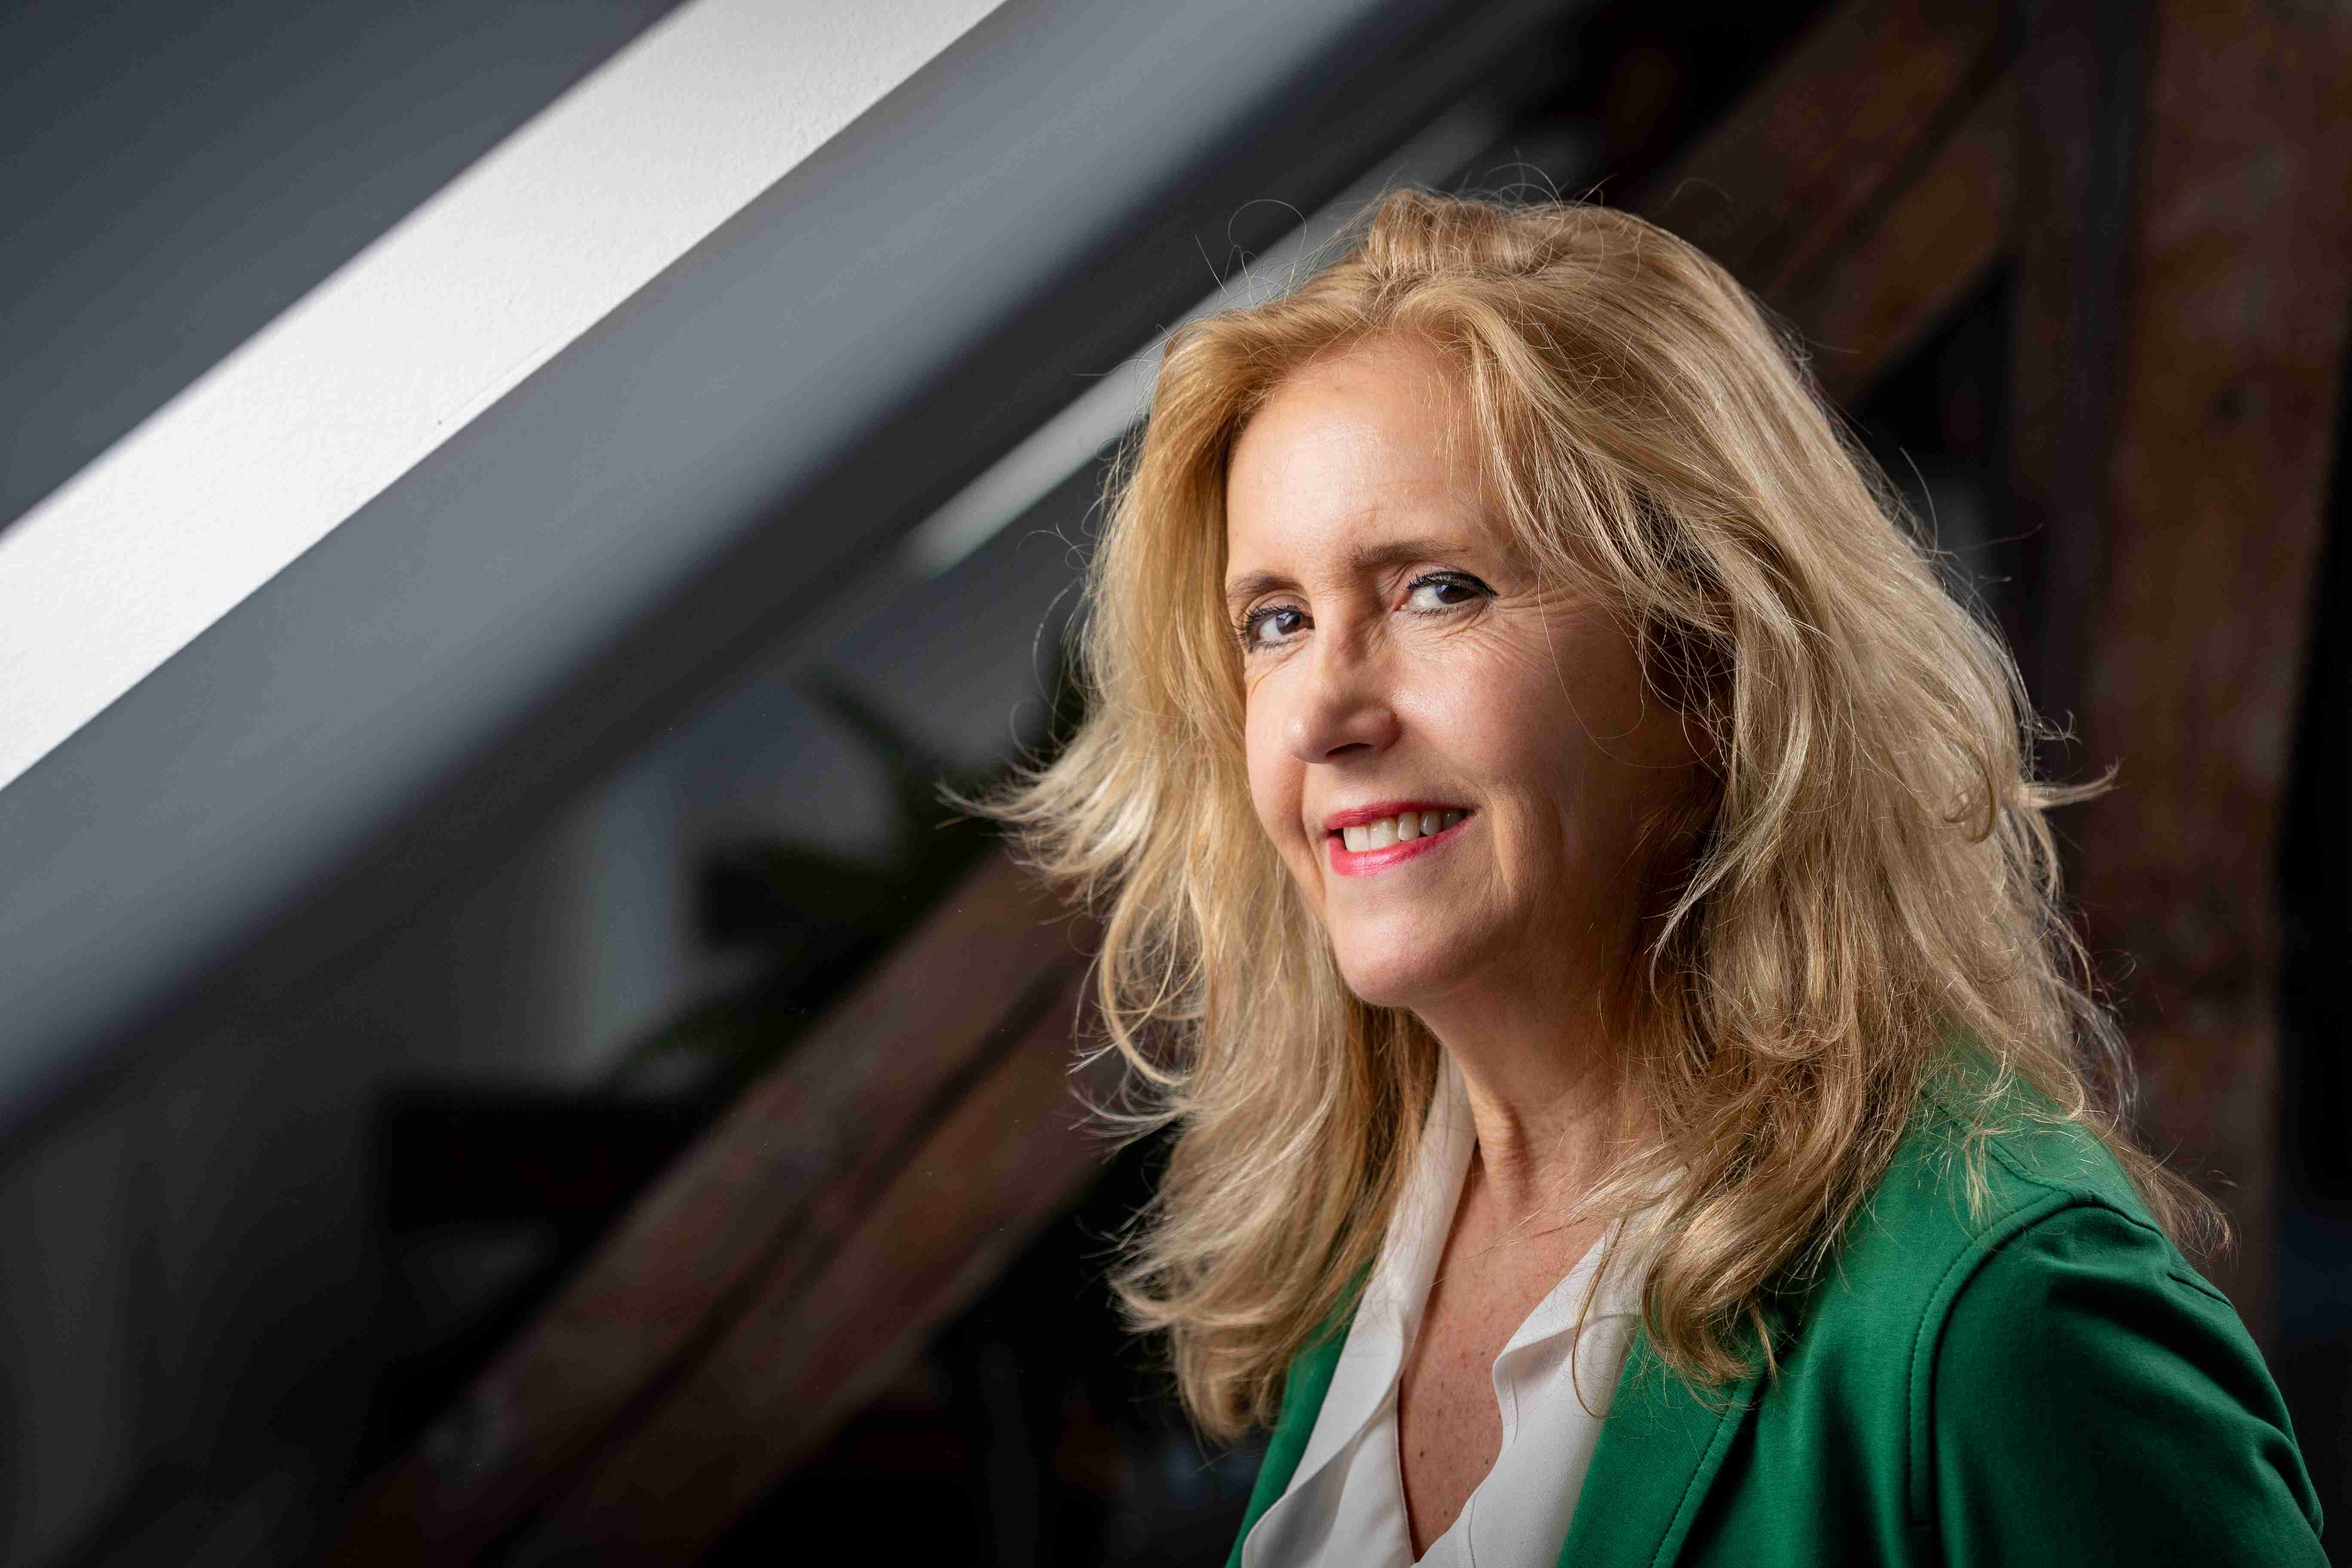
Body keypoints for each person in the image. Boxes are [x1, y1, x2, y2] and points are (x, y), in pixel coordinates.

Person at [989, 190, 2326, 1565]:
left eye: (1439, 590)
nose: (1322, 712)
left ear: (1712, 665)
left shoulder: (2003, 1323)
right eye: (1275, 621)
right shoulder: (1373, 1254)